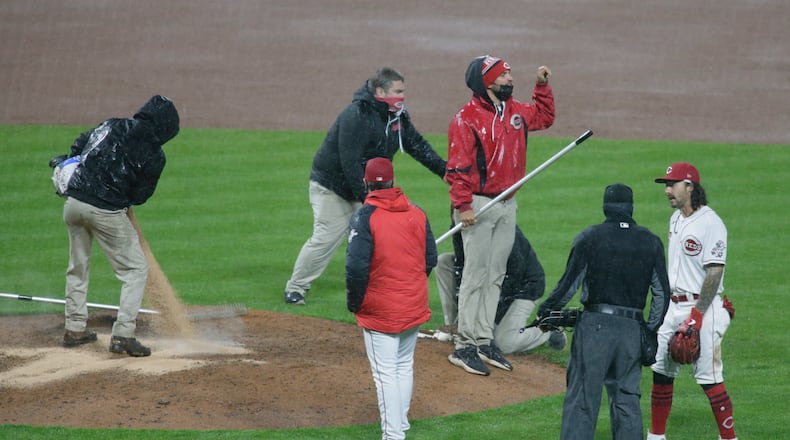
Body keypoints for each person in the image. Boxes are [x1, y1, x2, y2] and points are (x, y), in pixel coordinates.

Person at [284, 67, 446, 305]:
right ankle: (296, 287)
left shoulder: (396, 115)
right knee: (326, 237)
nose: (402, 97)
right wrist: (368, 200)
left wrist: (444, 170)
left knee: (382, 236)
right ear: (380, 91)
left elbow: (416, 144)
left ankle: (379, 285)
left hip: (371, 187)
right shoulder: (356, 115)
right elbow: (350, 162)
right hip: (333, 187)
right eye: (398, 91)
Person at [445, 54, 555, 375]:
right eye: (503, 75)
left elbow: (545, 117)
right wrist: (463, 206)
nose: (509, 79)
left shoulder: (516, 112)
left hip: (507, 205)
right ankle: (464, 345)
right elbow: (458, 168)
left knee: (495, 275)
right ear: (486, 82)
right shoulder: (465, 119)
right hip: (478, 206)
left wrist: (542, 86)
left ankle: (483, 339)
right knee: (475, 275)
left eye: (509, 74)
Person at [537, 183, 670, 440]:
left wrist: (547, 311)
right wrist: (649, 330)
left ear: (606, 207)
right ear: (630, 208)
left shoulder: (590, 237)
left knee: (582, 402)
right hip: (631, 331)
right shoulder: (651, 242)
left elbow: (569, 285)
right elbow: (662, 295)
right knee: (627, 402)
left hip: (595, 329)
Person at [57, 95, 180, 357]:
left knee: (78, 266)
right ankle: (123, 335)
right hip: (105, 212)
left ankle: (74, 328)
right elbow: (140, 196)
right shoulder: (154, 154)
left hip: (74, 203)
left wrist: (76, 165)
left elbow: (80, 144)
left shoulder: (113, 125)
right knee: (135, 269)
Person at [345, 158, 437, 440]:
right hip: (413, 303)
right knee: (402, 365)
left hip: (381, 310)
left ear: (367, 183)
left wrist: (355, 303)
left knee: (385, 374)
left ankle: (393, 435)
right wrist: (410, 286)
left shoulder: (365, 216)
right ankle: (402, 423)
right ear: (392, 181)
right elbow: (430, 259)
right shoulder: (417, 212)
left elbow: (356, 268)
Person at [648, 163, 737, 440]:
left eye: (672, 184)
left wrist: (697, 317)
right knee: (661, 371)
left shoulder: (711, 223)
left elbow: (715, 272)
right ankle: (656, 436)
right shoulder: (675, 219)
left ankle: (729, 438)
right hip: (673, 307)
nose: (667, 191)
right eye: (666, 185)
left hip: (703, 309)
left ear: (690, 187)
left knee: (709, 378)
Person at [435, 225, 567, 354]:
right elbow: (461, 265)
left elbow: (513, 279)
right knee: (444, 262)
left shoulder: (503, 228)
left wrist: (488, 321)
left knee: (504, 343)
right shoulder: (462, 223)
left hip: (524, 286)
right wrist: (463, 319)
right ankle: (457, 328)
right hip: (488, 275)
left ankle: (548, 330)